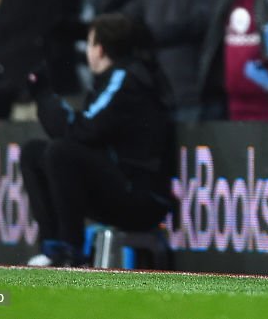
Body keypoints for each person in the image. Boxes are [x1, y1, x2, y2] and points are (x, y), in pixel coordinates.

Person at [21, 14, 174, 267]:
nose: (88, 51)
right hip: (120, 185)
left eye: (90, 43)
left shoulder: (124, 79)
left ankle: (70, 249)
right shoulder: (109, 81)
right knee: (33, 153)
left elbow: (82, 130)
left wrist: (46, 96)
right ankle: (52, 247)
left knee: (61, 152)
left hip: (142, 197)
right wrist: (45, 98)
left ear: (100, 49)